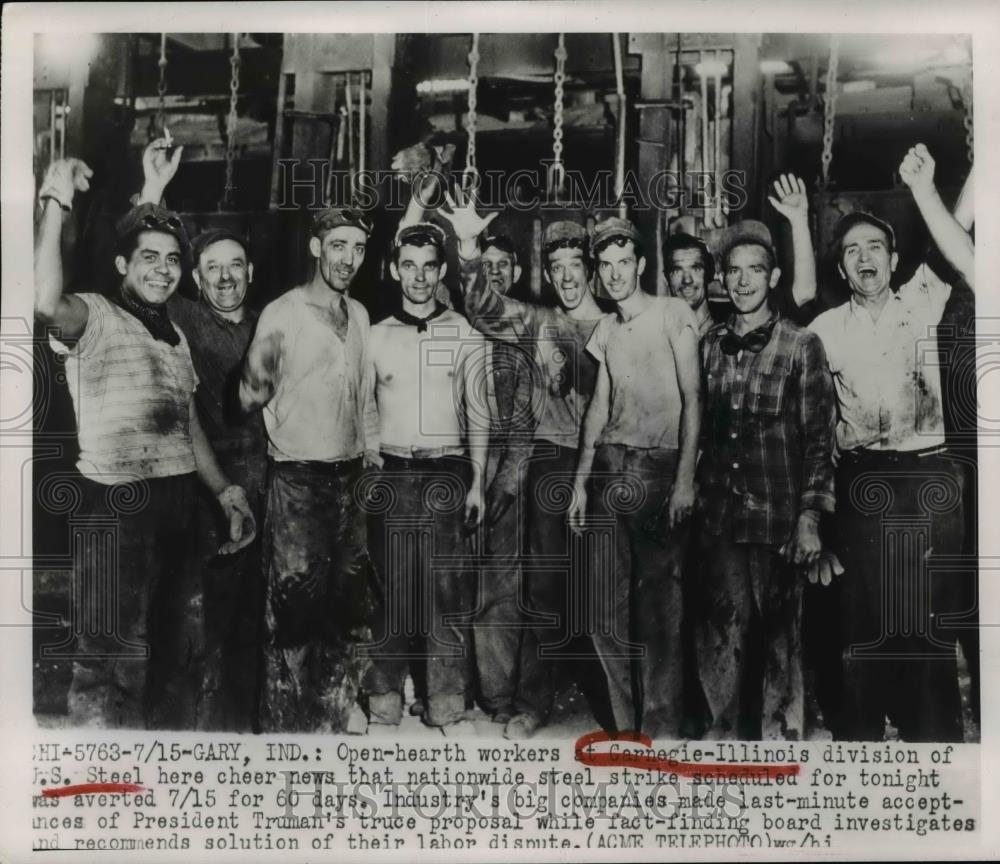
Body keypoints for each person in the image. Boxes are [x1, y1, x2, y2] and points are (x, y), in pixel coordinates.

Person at [34, 158, 256, 730]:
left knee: (166, 644)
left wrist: (225, 489)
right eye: (148, 259)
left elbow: (187, 425)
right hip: (115, 503)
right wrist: (56, 204)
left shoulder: (175, 333)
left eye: (172, 260)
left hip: (178, 497)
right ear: (121, 265)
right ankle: (96, 779)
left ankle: (149, 769)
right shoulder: (96, 315)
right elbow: (42, 302)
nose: (163, 270)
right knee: (109, 648)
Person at [809, 159, 974, 739]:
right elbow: (815, 427)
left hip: (930, 483)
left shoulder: (922, 302)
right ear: (842, 266)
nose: (864, 257)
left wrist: (958, 173)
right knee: (860, 628)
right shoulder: (825, 329)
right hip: (860, 485)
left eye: (875, 246)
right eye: (852, 250)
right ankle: (861, 754)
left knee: (927, 629)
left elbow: (961, 222)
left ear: (894, 261)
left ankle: (936, 754)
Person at [441, 195, 607, 740]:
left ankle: (627, 708)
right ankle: (533, 701)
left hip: (615, 462)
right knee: (544, 585)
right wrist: (466, 245)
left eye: (574, 266)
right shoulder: (538, 321)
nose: (565, 277)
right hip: (553, 462)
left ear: (592, 268)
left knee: (609, 590)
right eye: (555, 268)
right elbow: (484, 307)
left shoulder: (619, 322)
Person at [135, 137, 267, 732]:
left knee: (253, 616)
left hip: (271, 480)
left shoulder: (273, 322)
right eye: (211, 267)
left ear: (250, 272)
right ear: (196, 277)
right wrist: (155, 192)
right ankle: (182, 729)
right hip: (203, 478)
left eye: (234, 265)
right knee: (191, 612)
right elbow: (141, 274)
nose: (224, 277)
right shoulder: (184, 316)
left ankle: (242, 729)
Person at [695, 220, 837, 740]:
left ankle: (781, 741)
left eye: (754, 270)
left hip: (778, 520)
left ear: (773, 275)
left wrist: (809, 519)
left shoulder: (802, 345)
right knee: (718, 633)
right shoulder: (709, 344)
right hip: (720, 518)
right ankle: (722, 734)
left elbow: (821, 440)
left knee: (783, 641)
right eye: (732, 271)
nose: (742, 281)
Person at [240, 206, 379, 734]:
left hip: (350, 478)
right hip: (298, 480)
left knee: (346, 606)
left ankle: (331, 716)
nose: (349, 258)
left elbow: (363, 395)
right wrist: (252, 379)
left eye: (359, 248)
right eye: (338, 245)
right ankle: (284, 730)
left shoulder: (360, 315)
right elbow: (248, 397)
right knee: (292, 610)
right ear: (317, 248)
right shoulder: (282, 313)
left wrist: (372, 453)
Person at [568, 217, 701, 738]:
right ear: (598, 273)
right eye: (606, 265)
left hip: (659, 468)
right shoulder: (605, 328)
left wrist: (685, 479)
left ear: (642, 265)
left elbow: (694, 398)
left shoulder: (674, 313)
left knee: (659, 608)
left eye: (625, 262)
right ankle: (627, 729)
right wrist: (580, 482)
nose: (616, 273)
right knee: (605, 606)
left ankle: (661, 728)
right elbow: (597, 409)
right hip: (609, 473)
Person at [363, 222, 488, 731]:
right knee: (390, 589)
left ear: (440, 271)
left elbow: (479, 411)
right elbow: (363, 406)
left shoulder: (463, 331)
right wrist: (370, 458)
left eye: (429, 266)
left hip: (446, 470)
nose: (418, 276)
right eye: (408, 265)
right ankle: (384, 697)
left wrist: (478, 479)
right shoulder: (373, 336)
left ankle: (446, 701)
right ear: (395, 270)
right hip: (391, 470)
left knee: (445, 591)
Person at [663, 173, 818, 337]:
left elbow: (804, 292)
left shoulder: (741, 313)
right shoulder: (661, 329)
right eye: (677, 270)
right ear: (722, 278)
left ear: (711, 274)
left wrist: (799, 221)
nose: (687, 280)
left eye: (696, 268)